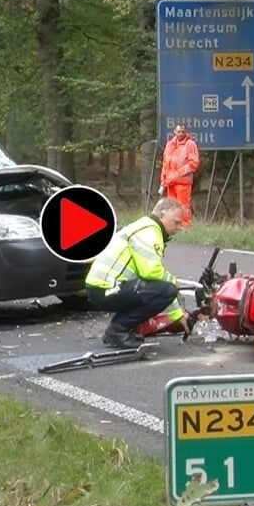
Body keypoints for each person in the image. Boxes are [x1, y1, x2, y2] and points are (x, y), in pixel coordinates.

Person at [84, 198, 187, 348]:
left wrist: (177, 315)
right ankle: (117, 331)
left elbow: (153, 279)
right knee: (166, 289)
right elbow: (150, 272)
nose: (179, 227)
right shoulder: (149, 232)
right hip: (105, 288)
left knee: (161, 288)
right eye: (176, 222)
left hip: (104, 287)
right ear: (162, 215)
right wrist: (173, 281)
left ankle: (118, 329)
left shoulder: (145, 227)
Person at [159, 124, 200, 227]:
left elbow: (193, 164)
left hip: (183, 182)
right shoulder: (169, 144)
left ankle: (185, 226)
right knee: (172, 207)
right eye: (178, 131)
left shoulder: (190, 144)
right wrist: (163, 180)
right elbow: (165, 164)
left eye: (182, 131)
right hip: (170, 182)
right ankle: (173, 226)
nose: (180, 134)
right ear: (174, 132)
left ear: (185, 132)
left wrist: (177, 174)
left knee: (182, 205)